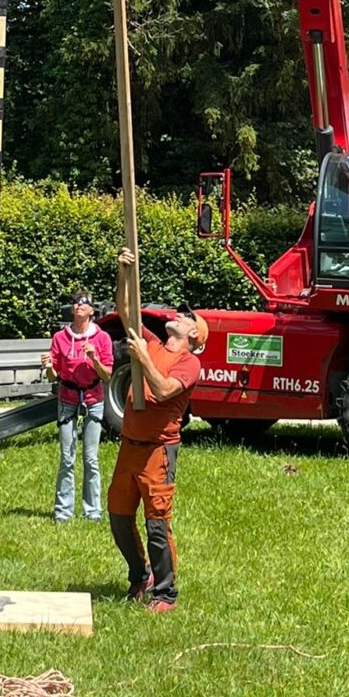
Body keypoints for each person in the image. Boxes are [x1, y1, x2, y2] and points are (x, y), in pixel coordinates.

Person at [107, 245, 207, 613]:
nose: (179, 315)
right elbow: (125, 310)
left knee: (157, 524)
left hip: (158, 451)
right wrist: (123, 271)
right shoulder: (153, 344)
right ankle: (140, 575)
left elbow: (164, 390)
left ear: (194, 333)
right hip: (129, 445)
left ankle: (165, 594)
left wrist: (144, 359)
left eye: (186, 317)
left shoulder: (189, 363)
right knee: (118, 516)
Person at [40, 290, 114, 522]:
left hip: (93, 400)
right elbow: (53, 376)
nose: (79, 305)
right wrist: (49, 368)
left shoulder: (102, 338)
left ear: (92, 310)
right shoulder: (60, 338)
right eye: (75, 302)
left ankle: (93, 511)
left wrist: (94, 358)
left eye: (84, 302)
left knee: (91, 459)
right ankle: (63, 512)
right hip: (67, 399)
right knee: (67, 458)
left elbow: (107, 375)